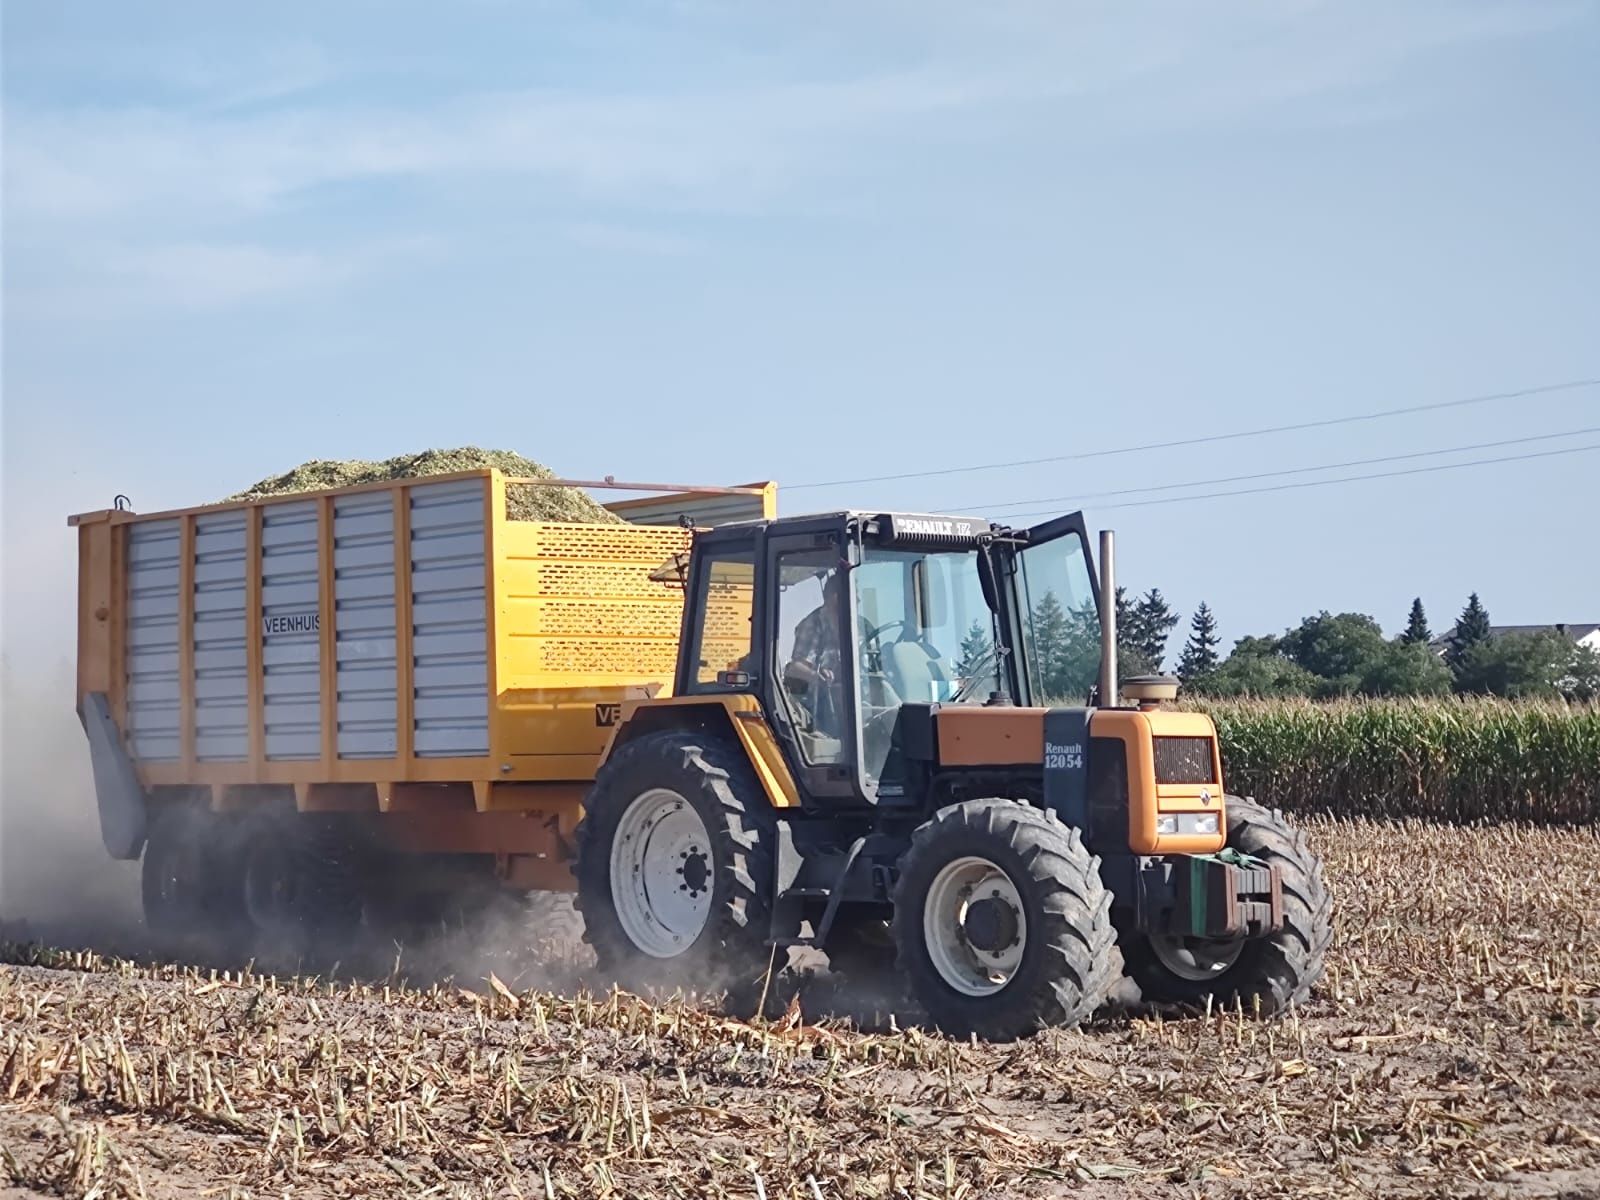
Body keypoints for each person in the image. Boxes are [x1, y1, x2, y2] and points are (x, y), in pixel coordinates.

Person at [784, 570, 846, 735]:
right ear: (836, 597)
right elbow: (796, 667)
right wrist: (819, 675)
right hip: (820, 700)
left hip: (856, 695)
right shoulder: (813, 624)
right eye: (854, 594)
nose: (858, 600)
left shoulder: (855, 625)